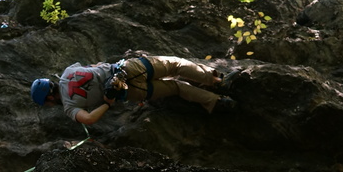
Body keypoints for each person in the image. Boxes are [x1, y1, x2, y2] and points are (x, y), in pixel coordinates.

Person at [30, 55, 235, 125]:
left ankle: (216, 102)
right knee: (176, 65)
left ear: (49, 96)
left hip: (127, 92)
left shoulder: (69, 107)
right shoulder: (68, 71)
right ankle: (216, 79)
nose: (49, 105)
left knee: (176, 87)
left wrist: (107, 103)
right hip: (127, 69)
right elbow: (97, 65)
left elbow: (90, 119)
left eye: (47, 102)